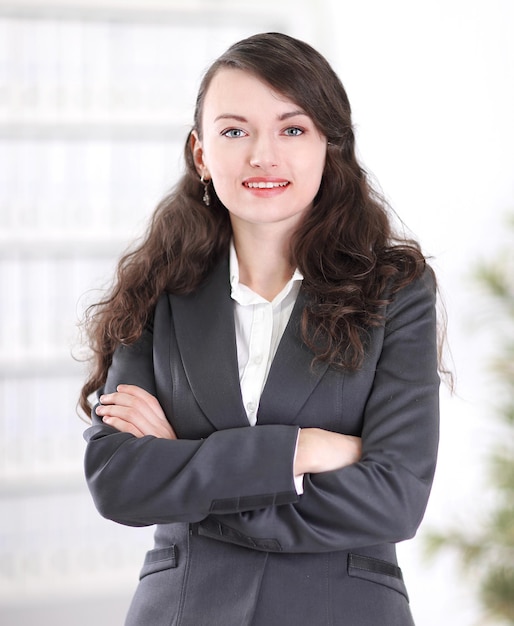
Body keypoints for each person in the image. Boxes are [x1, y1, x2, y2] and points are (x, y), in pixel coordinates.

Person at [80, 32, 440, 626]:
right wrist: (299, 451)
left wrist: (183, 464)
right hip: (183, 611)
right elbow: (117, 481)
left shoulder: (395, 289)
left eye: (292, 129)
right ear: (201, 153)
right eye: (234, 130)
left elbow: (395, 500)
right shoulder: (158, 286)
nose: (262, 156)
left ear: (330, 145)